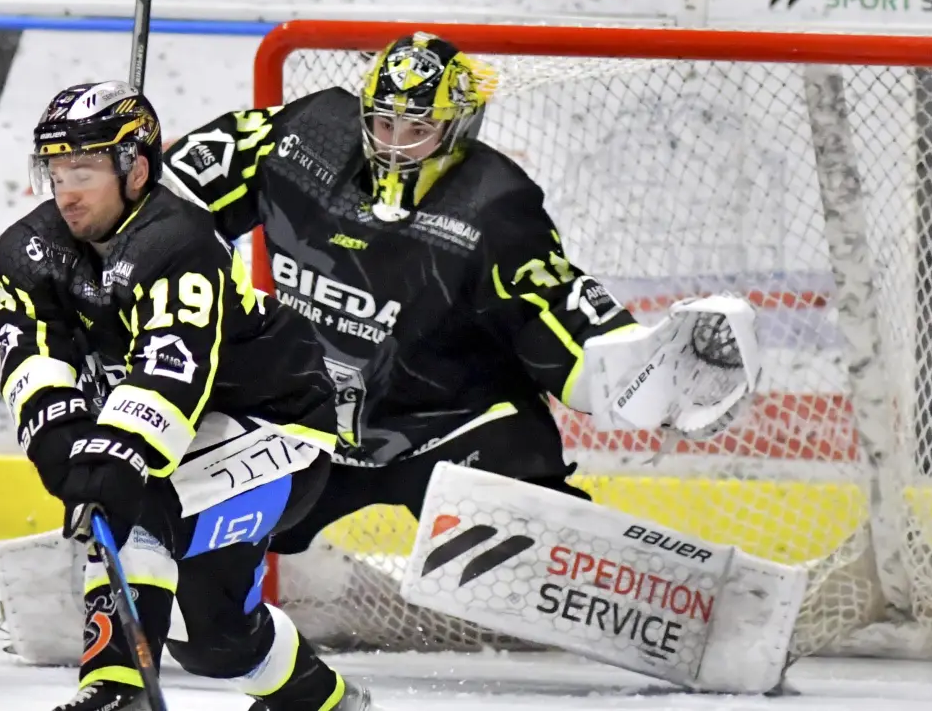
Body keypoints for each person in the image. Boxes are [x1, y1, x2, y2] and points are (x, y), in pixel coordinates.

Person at [162, 32, 757, 569]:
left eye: (417, 129)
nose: (395, 146)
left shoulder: (494, 208)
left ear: (457, 126)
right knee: (172, 530)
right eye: (384, 124)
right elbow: (169, 200)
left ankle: (633, 585)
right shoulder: (304, 138)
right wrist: (112, 233)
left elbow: (559, 316)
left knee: (533, 550)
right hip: (307, 422)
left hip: (449, 429)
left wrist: (649, 375)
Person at [0, 80, 373, 710]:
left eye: (84, 168)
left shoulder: (179, 243)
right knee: (218, 642)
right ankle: (331, 704)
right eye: (56, 168)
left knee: (139, 502)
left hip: (281, 424)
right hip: (192, 434)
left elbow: (173, 370)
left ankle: (115, 690)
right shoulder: (29, 250)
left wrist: (115, 451)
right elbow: (31, 349)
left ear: (135, 169)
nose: (66, 187)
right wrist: (57, 437)